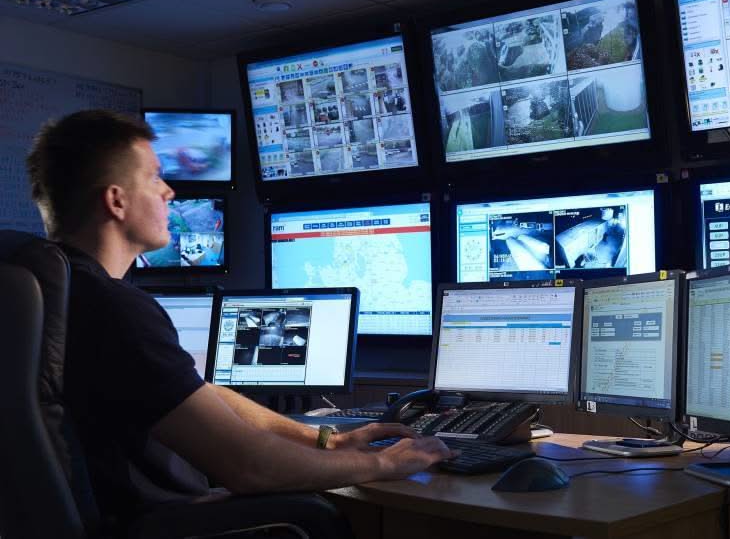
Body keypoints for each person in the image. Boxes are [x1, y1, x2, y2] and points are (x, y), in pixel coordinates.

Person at [26, 109, 452, 524]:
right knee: (318, 515)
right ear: (116, 200)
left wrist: (329, 440)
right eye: (154, 177)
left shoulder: (50, 291)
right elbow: (252, 468)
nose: (169, 192)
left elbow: (199, 393)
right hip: (148, 523)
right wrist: (383, 463)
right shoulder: (114, 308)